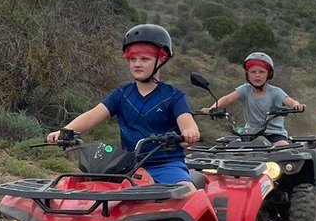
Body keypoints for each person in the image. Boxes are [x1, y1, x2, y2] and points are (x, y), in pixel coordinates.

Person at [46, 24, 200, 184]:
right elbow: (92, 116)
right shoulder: (121, 94)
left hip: (166, 166)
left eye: (144, 59)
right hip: (128, 166)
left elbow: (187, 121)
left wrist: (190, 132)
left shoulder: (174, 95)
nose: (137, 64)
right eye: (132, 59)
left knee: (185, 192)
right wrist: (65, 131)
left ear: (162, 59)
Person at [205, 52, 307, 147]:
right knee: (232, 148)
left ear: (268, 74)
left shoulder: (276, 92)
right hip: (249, 134)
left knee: (283, 148)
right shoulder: (245, 89)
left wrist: (296, 105)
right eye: (253, 72)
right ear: (247, 74)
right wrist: (213, 108)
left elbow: (289, 101)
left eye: (261, 72)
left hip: (274, 135)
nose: (257, 75)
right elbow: (227, 99)